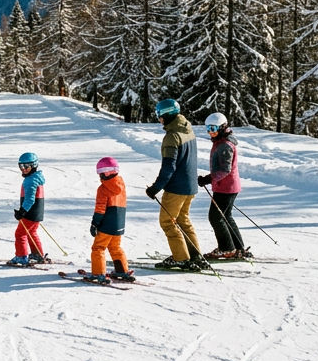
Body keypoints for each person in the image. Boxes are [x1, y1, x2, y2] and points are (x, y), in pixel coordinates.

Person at [144, 99, 209, 271]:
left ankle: (181, 258)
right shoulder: (188, 129)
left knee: (167, 222)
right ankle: (196, 255)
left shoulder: (172, 137)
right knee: (183, 220)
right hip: (190, 186)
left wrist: (155, 188)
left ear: (166, 114)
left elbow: (168, 167)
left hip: (176, 189)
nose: (159, 119)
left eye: (159, 115)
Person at [199, 112, 249, 260]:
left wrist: (208, 179)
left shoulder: (225, 145)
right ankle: (238, 248)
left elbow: (224, 170)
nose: (210, 132)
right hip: (227, 186)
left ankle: (227, 249)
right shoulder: (221, 142)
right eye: (208, 129)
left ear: (222, 127)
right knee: (226, 216)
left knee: (215, 217)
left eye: (213, 128)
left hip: (225, 187)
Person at [88, 157, 134, 283]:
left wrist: (95, 223)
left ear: (106, 172)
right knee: (115, 247)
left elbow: (100, 209)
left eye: (100, 173)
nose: (100, 176)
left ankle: (98, 273)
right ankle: (122, 270)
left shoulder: (103, 189)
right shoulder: (121, 185)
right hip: (119, 223)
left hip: (107, 224)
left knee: (98, 248)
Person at [8, 152, 48, 265]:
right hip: (37, 213)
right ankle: (37, 254)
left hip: (30, 213)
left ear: (34, 165)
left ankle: (21, 256)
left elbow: (30, 199)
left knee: (20, 234)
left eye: (26, 166)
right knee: (32, 232)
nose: (23, 169)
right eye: (21, 166)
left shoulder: (30, 181)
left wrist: (22, 211)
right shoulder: (36, 178)